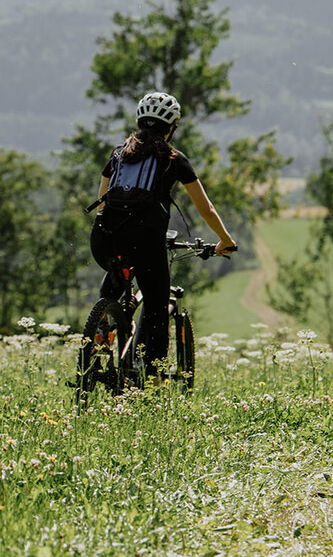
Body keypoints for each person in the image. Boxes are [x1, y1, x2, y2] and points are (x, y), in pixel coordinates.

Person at [89, 90, 236, 379]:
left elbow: (102, 201)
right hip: (146, 241)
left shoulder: (118, 153)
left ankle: (99, 342)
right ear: (171, 127)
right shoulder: (173, 158)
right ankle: (149, 377)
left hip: (104, 237)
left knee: (114, 279)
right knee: (156, 307)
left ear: (139, 121)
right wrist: (225, 240)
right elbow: (205, 209)